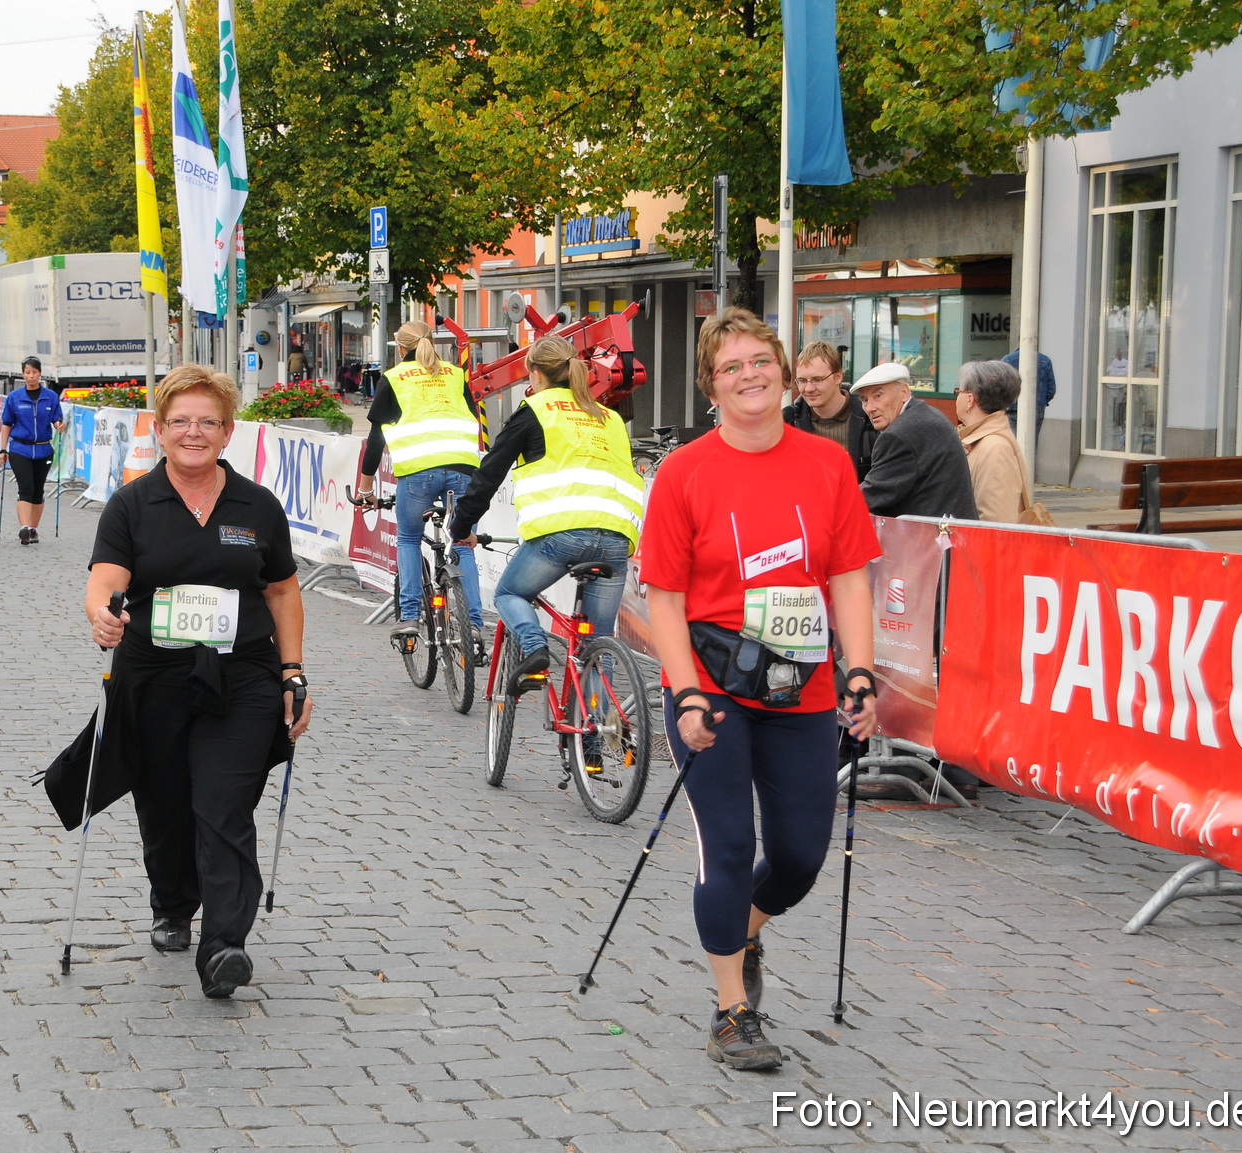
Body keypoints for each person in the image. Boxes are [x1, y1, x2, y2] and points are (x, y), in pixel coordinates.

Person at [639, 307, 880, 1072]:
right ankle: (731, 1008)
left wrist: (861, 670)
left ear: (784, 371)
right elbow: (664, 600)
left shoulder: (826, 463)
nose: (750, 376)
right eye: (731, 366)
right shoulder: (684, 471)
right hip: (712, 685)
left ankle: (745, 931)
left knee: (801, 855)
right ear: (711, 385)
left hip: (801, 686)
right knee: (730, 847)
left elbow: (847, 578)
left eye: (760, 361)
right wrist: (682, 693)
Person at [85, 364, 314, 999]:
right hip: (154, 674)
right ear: (158, 430)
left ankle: (225, 946)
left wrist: (292, 671)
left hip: (241, 674)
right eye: (180, 421)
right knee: (163, 800)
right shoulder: (133, 504)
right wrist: (103, 614)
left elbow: (281, 589)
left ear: (228, 431)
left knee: (223, 803)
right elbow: (106, 577)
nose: (194, 432)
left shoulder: (256, 506)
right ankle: (172, 901)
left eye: (207, 422)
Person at [449, 335, 642, 710]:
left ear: (535, 375)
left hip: (561, 535)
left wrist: (462, 526)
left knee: (510, 593)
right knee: (597, 645)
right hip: (618, 538)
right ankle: (593, 749)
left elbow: (490, 472)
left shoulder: (536, 409)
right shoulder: (610, 418)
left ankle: (535, 647)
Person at [354, 321, 484, 641]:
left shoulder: (395, 378)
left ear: (401, 348)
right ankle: (475, 624)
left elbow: (375, 440)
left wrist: (366, 488)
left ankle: (410, 615)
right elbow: (474, 418)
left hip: (418, 473)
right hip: (464, 469)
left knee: (410, 539)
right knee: (464, 543)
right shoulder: (455, 374)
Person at [852, 362, 980, 520]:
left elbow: (872, 495)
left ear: (904, 392)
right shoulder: (926, 414)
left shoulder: (899, 434)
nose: (870, 407)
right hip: (951, 533)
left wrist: (827, 503)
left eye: (878, 396)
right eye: (864, 400)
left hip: (936, 539)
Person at [783, 341, 877, 479]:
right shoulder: (788, 421)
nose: (808, 388)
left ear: (838, 377)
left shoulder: (871, 417)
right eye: (802, 380)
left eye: (817, 379)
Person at [0, 356, 65, 545]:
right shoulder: (15, 397)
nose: (31, 376)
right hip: (20, 448)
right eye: (28, 372)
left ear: (40, 374)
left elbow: (57, 419)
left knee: (38, 490)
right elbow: (7, 424)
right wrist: (2, 449)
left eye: (34, 372)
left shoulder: (50, 396)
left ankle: (33, 528)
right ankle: (24, 527)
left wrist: (60, 425)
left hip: (43, 449)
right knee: (25, 487)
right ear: (23, 374)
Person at [956, 360, 1027, 524]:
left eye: (958, 391)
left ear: (970, 399)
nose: (957, 397)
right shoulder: (980, 440)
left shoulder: (995, 448)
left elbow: (995, 520)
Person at [1001, 348, 1055, 441]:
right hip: (1036, 408)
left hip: (1011, 408)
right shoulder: (1045, 361)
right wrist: (1041, 402)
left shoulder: (1007, 360)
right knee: (1032, 443)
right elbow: (1051, 390)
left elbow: (1000, 385)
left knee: (1012, 442)